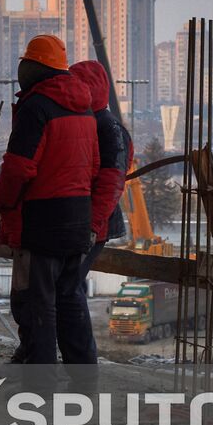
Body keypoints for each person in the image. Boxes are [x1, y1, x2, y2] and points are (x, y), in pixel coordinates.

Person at [0, 35, 99, 367]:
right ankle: (84, 379)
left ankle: (41, 387)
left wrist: (3, 202)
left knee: (41, 307)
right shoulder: (85, 109)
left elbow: (19, 167)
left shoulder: (35, 108)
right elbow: (94, 166)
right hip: (78, 220)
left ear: (32, 68)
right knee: (70, 301)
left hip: (43, 222)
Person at [65, 60, 132, 365]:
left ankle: (80, 364)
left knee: (67, 292)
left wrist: (93, 225)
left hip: (93, 225)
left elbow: (110, 183)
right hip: (82, 222)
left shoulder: (108, 128)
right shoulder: (89, 122)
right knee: (67, 289)